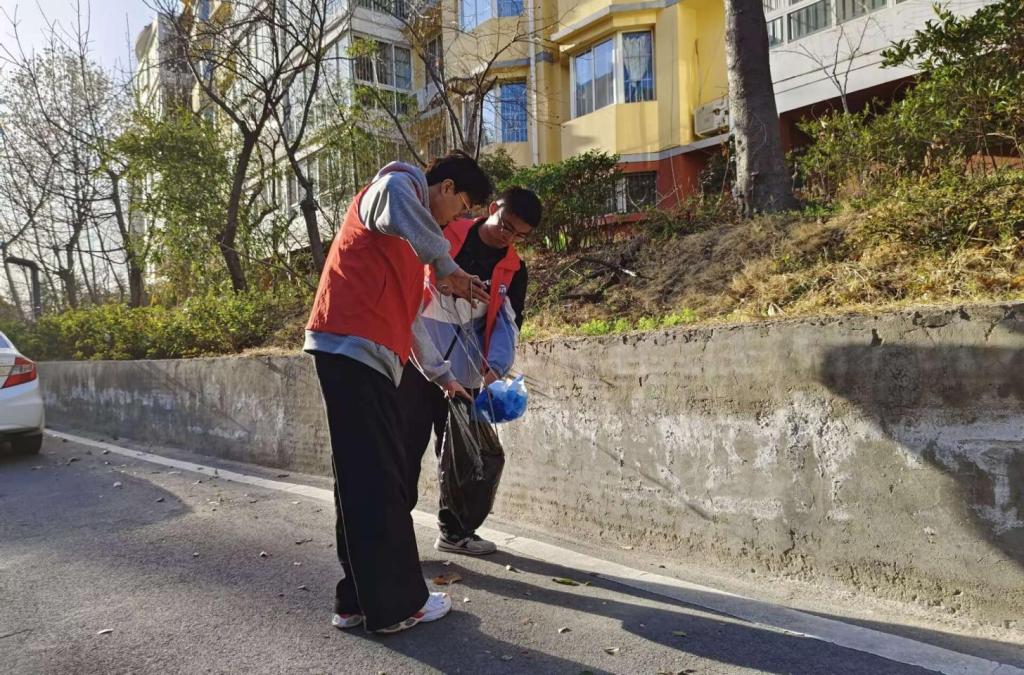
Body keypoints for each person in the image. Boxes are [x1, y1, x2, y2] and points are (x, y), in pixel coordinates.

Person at [305, 152, 492, 634]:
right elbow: (393, 196)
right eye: (462, 206)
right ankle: (397, 606)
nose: (457, 219)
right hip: (353, 348)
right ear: (445, 188)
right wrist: (447, 264)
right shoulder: (396, 186)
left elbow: (411, 323)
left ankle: (356, 600)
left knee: (360, 480)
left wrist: (443, 376)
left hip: (357, 354)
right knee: (381, 479)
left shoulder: (408, 246)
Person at [399, 186, 542, 556]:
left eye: (518, 234)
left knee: (463, 456)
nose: (508, 236)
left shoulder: (514, 269)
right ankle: (392, 536)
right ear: (493, 208)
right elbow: (411, 279)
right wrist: (446, 282)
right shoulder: (447, 233)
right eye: (505, 225)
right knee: (404, 449)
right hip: (419, 363)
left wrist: (495, 367)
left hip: (466, 375)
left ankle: (455, 532)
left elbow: (510, 321)